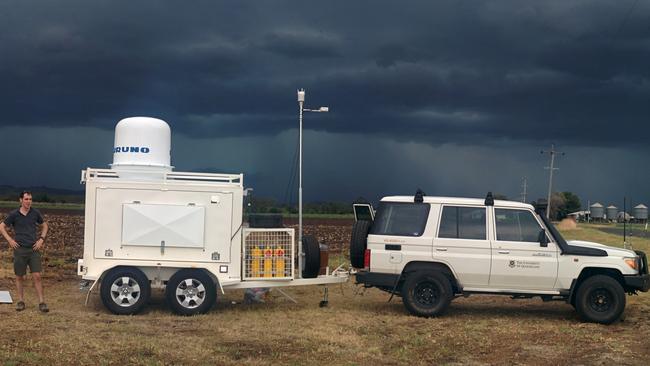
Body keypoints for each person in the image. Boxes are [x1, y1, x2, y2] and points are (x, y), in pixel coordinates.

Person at [0, 191, 49, 312]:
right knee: (19, 276)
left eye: (30, 199)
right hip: (20, 249)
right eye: (26, 199)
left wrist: (41, 240)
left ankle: (42, 302)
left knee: (37, 276)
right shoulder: (14, 214)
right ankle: (21, 301)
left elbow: (45, 226)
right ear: (20, 200)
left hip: (33, 249)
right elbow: (1, 226)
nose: (29, 201)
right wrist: (10, 240)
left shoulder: (35, 213)